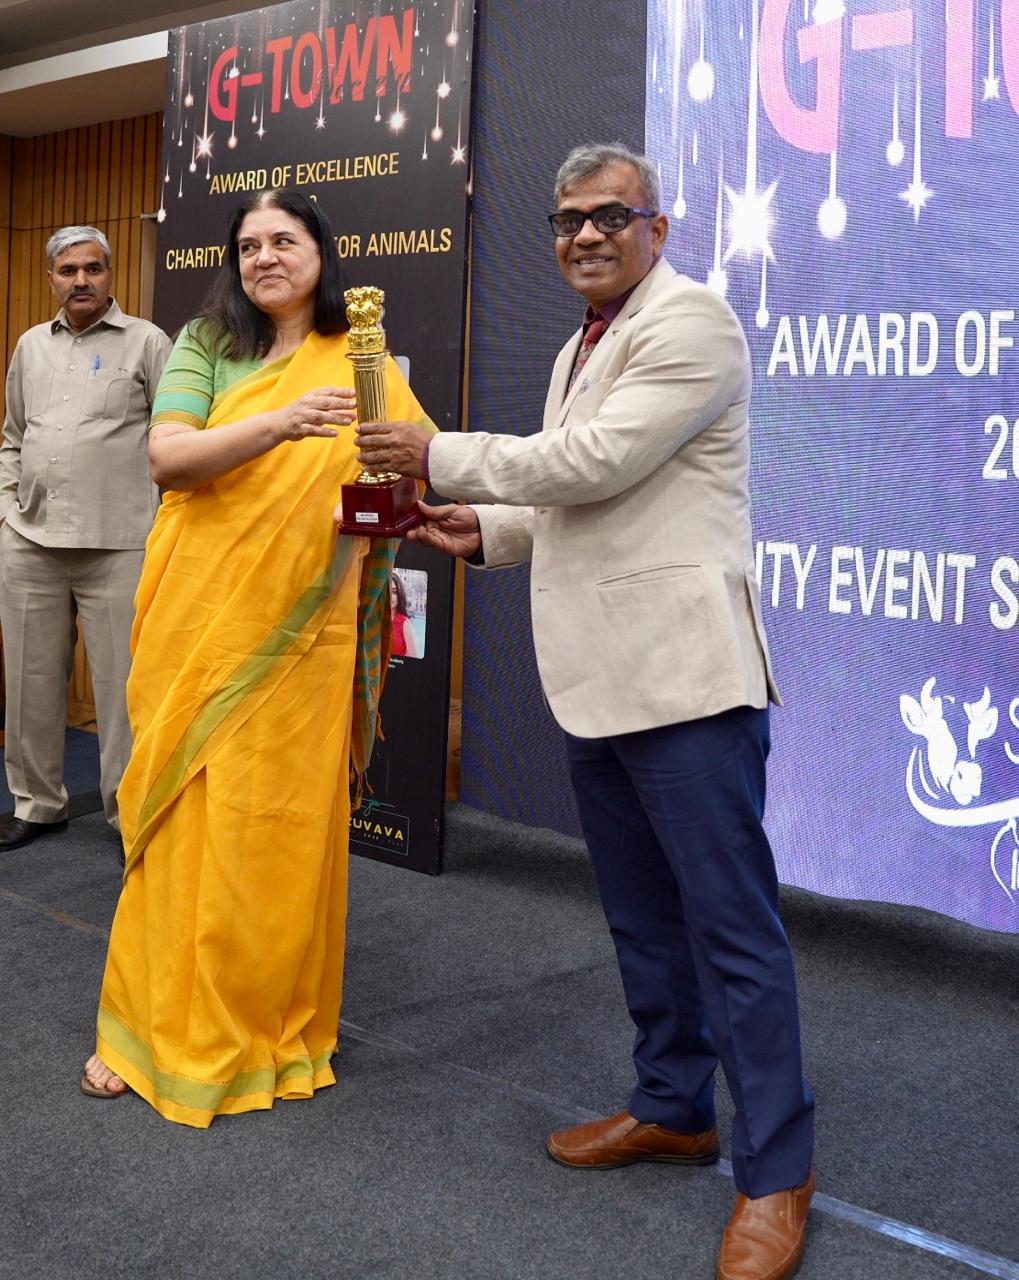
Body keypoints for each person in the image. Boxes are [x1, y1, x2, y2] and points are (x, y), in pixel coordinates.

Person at [354, 143, 815, 1280]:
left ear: (657, 225)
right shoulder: (580, 344)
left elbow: (597, 460)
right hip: (601, 680)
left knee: (731, 932)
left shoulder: (691, 320)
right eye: (566, 221)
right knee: (641, 920)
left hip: (686, 684)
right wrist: (485, 531)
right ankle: (672, 1106)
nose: (585, 236)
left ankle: (775, 1172)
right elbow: (580, 496)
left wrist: (438, 457)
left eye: (609, 215)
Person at [81, 189, 436, 1126]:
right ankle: (140, 1028)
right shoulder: (207, 344)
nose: (265, 257)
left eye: (284, 240)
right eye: (248, 246)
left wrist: (397, 499)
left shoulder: (360, 357)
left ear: (321, 251)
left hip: (303, 641)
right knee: (181, 826)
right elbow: (169, 459)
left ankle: (269, 1027)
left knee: (272, 836)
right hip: (200, 625)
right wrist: (282, 424)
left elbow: (415, 461)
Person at [0, 226, 171, 849]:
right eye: (68, 270)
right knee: (28, 685)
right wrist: (6, 513)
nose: (81, 280)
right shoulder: (30, 346)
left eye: (93, 269)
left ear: (110, 274)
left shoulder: (148, 342)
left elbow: (174, 437)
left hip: (120, 544)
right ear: (51, 278)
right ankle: (37, 804)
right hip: (30, 542)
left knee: (124, 694)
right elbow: (14, 436)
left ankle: (129, 817)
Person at [390, 570, 419, 658]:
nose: (391, 596)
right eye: (387, 591)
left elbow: (413, 658)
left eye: (394, 592)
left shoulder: (405, 624)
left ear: (399, 594)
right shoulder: (375, 619)